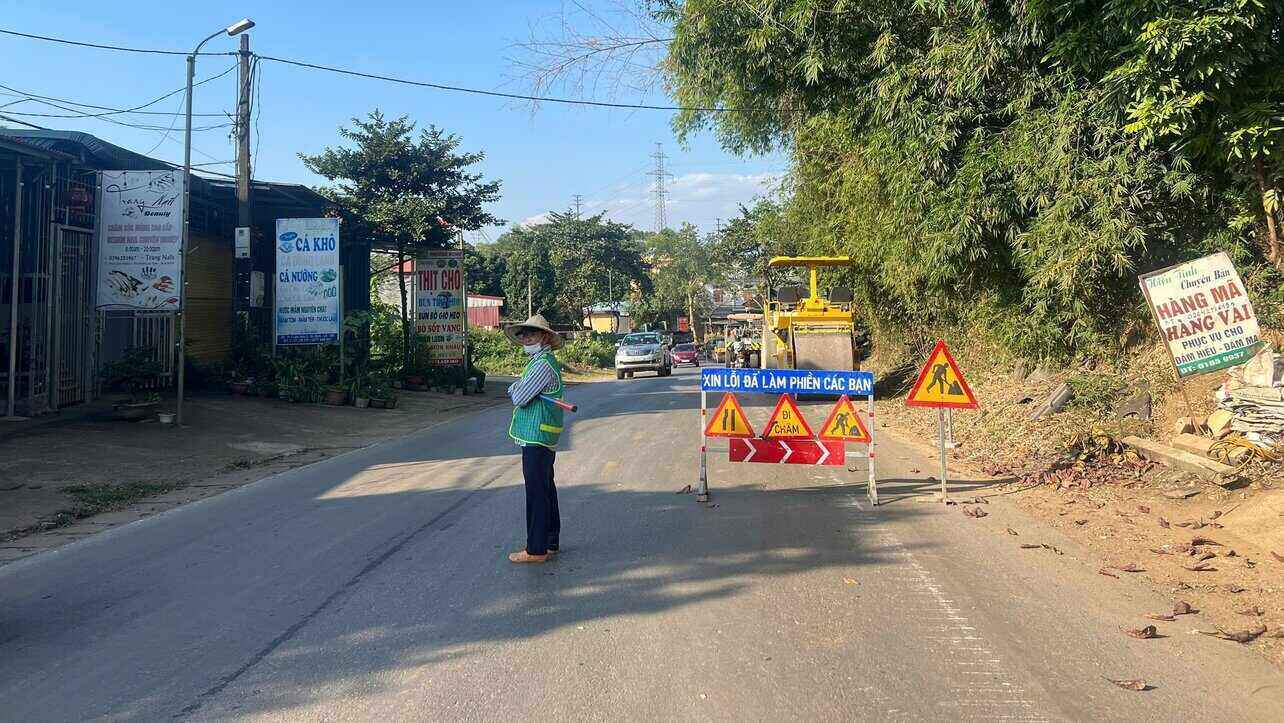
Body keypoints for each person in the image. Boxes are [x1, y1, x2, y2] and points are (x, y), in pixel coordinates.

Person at [504, 314, 566, 564]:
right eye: (524, 334)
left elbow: (519, 397)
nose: (526, 338)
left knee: (537, 492)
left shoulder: (542, 365)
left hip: (536, 436)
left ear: (546, 337)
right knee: (546, 488)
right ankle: (550, 542)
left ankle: (536, 549)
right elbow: (520, 390)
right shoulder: (539, 362)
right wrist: (518, 388)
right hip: (541, 435)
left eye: (532, 333)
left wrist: (516, 388)